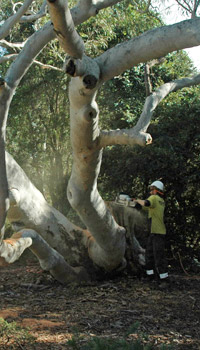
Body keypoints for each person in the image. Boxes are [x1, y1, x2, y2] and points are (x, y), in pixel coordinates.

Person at [134, 180, 169, 287]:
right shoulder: (160, 201)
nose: (150, 191)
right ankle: (151, 276)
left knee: (158, 256)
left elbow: (146, 203)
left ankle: (164, 280)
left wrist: (135, 200)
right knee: (149, 254)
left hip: (156, 232)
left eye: (152, 189)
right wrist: (134, 204)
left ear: (157, 190)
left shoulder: (154, 198)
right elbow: (142, 207)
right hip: (154, 232)